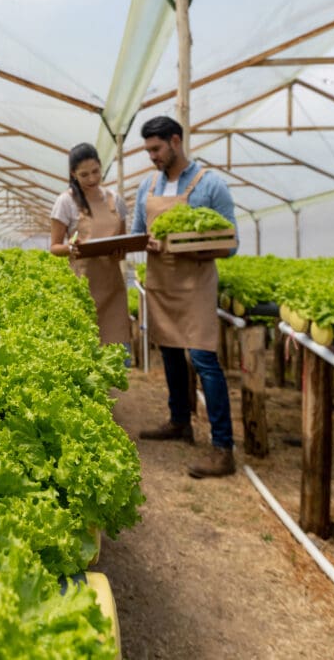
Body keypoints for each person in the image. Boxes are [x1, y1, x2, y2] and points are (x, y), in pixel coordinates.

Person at [131, 116, 238, 479]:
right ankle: (180, 421)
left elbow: (231, 243)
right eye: (148, 150)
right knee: (172, 353)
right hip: (163, 283)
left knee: (204, 359)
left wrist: (191, 245)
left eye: (156, 149)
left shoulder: (210, 185)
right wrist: (142, 242)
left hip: (196, 285)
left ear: (176, 141)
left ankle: (223, 448)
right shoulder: (147, 186)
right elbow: (135, 234)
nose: (152, 157)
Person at [50, 143, 132, 347]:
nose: (93, 179)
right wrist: (70, 247)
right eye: (84, 175)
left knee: (117, 349)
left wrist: (120, 252)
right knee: (88, 347)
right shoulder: (66, 202)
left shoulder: (115, 200)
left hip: (112, 286)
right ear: (73, 174)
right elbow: (54, 247)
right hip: (83, 287)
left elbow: (122, 243)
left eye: (96, 171)